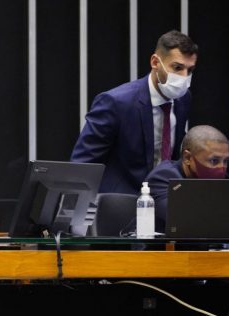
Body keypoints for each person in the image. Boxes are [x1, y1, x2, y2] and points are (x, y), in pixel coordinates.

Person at [71, 30, 197, 195]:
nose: (184, 77)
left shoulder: (183, 99)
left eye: (190, 70)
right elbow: (83, 164)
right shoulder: (115, 102)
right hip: (119, 204)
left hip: (164, 199)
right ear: (155, 62)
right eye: (177, 67)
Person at [145, 125, 228, 232]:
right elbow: (184, 221)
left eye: (225, 161)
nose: (221, 168)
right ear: (187, 158)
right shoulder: (163, 177)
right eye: (214, 161)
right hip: (157, 248)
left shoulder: (211, 181)